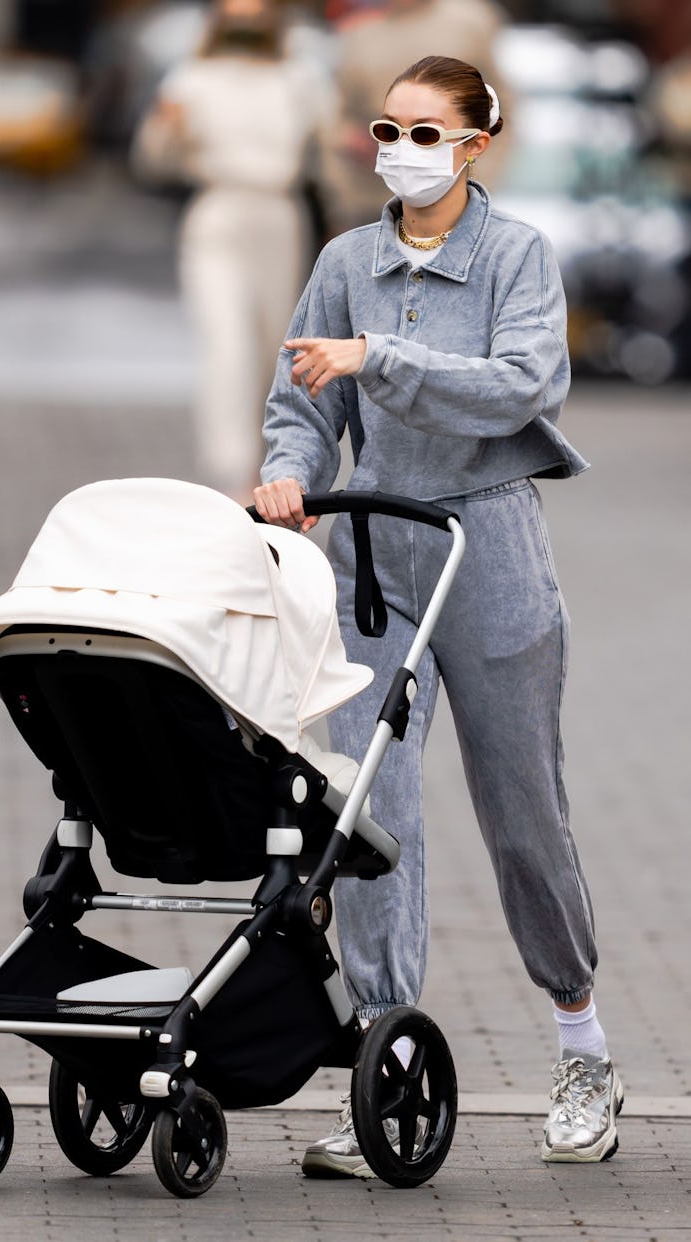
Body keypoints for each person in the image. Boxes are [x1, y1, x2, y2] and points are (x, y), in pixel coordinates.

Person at [253, 55, 623, 1173]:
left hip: (489, 546)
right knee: (372, 816)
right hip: (376, 551)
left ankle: (582, 1046)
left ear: (475, 144)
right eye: (386, 128)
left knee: (523, 811)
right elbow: (301, 398)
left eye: (425, 131)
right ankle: (385, 1061)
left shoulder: (516, 257)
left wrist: (384, 357)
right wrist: (286, 472)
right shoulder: (345, 261)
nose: (397, 148)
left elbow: (523, 387)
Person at [135, 0, 333, 502]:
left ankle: (272, 467)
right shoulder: (192, 78)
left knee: (274, 349)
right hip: (219, 211)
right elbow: (151, 160)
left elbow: (330, 145)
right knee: (228, 346)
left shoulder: (297, 77)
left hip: (279, 215)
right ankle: (231, 472)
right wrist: (165, 127)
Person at [321, 0, 512, 233]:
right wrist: (350, 140)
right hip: (373, 202)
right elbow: (335, 120)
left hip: (455, 201)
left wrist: (480, 177)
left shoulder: (470, 23)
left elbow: (501, 109)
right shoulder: (359, 35)